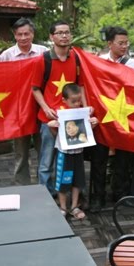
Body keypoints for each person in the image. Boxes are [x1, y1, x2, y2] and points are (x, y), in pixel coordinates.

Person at [94, 26, 134, 205]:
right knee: (99, 159)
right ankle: (98, 197)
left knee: (123, 159)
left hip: (124, 115)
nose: (124, 46)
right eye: (120, 43)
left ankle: (120, 194)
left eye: (126, 43)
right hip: (103, 116)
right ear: (110, 44)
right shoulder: (98, 62)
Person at [32, 20, 83, 197]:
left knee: (71, 158)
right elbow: (35, 88)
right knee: (46, 160)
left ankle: (66, 192)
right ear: (51, 37)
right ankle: (44, 193)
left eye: (67, 32)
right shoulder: (43, 59)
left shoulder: (76, 58)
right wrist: (46, 108)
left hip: (71, 118)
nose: (64, 36)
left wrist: (84, 109)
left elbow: (81, 85)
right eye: (60, 33)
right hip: (50, 119)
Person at [0, 17, 49, 185]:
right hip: (18, 111)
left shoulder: (44, 52)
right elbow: (1, 83)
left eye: (27, 34)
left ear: (32, 34)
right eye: (19, 34)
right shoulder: (6, 56)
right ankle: (22, 186)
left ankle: (45, 185)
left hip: (42, 107)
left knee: (45, 149)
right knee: (21, 152)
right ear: (15, 35)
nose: (23, 37)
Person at [47, 83, 98, 220]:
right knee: (63, 180)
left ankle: (74, 206)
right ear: (64, 100)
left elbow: (86, 133)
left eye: (79, 100)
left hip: (78, 153)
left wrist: (93, 124)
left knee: (78, 180)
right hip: (64, 154)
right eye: (73, 101)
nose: (77, 104)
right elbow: (56, 135)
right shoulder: (60, 115)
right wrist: (51, 126)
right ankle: (63, 207)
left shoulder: (83, 113)